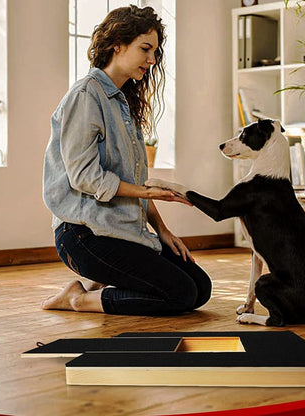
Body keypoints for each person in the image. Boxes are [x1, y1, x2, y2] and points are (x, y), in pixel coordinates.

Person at [41, 5, 211, 316]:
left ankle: (99, 284)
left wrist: (162, 229)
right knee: (181, 293)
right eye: (145, 49)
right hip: (82, 235)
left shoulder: (123, 103)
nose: (152, 59)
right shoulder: (85, 96)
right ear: (117, 45)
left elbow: (134, 179)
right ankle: (79, 299)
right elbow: (85, 177)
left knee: (200, 288)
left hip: (121, 230)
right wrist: (146, 193)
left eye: (155, 51)